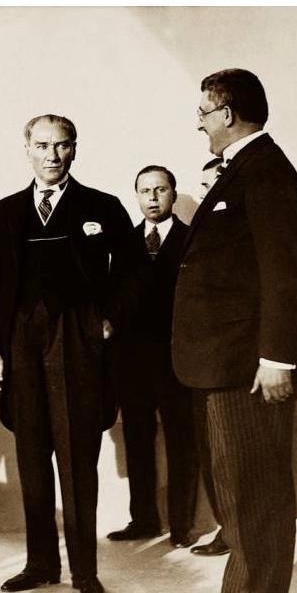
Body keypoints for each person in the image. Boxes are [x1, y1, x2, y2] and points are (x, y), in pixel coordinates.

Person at [0, 114, 139, 593]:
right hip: (21, 343)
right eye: (43, 145)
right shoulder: (5, 211)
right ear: (26, 148)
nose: (52, 155)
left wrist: (109, 319)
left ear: (74, 149)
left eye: (62, 145)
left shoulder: (102, 206)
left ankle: (85, 572)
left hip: (78, 342)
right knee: (31, 458)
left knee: (77, 460)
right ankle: (40, 563)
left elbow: (134, 272)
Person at [172, 68, 297, 593]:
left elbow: (285, 272)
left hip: (249, 367)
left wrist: (277, 359)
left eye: (203, 113)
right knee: (240, 488)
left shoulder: (266, 171)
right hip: (226, 362)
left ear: (227, 114)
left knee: (255, 489)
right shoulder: (244, 168)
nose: (199, 124)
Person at [107, 165, 198, 549]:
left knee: (182, 441)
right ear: (137, 196)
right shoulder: (123, 242)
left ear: (173, 194)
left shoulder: (193, 238)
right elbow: (112, 296)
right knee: (137, 439)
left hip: (179, 361)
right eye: (145, 191)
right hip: (132, 362)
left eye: (160, 189)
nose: (153, 197)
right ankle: (143, 520)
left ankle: (181, 526)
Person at [188, 155, 231, 559]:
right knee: (211, 450)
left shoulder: (235, 230)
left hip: (229, 361)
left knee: (232, 454)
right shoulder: (203, 231)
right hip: (201, 361)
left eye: (211, 187)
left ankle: (235, 533)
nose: (206, 196)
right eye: (202, 188)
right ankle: (227, 529)